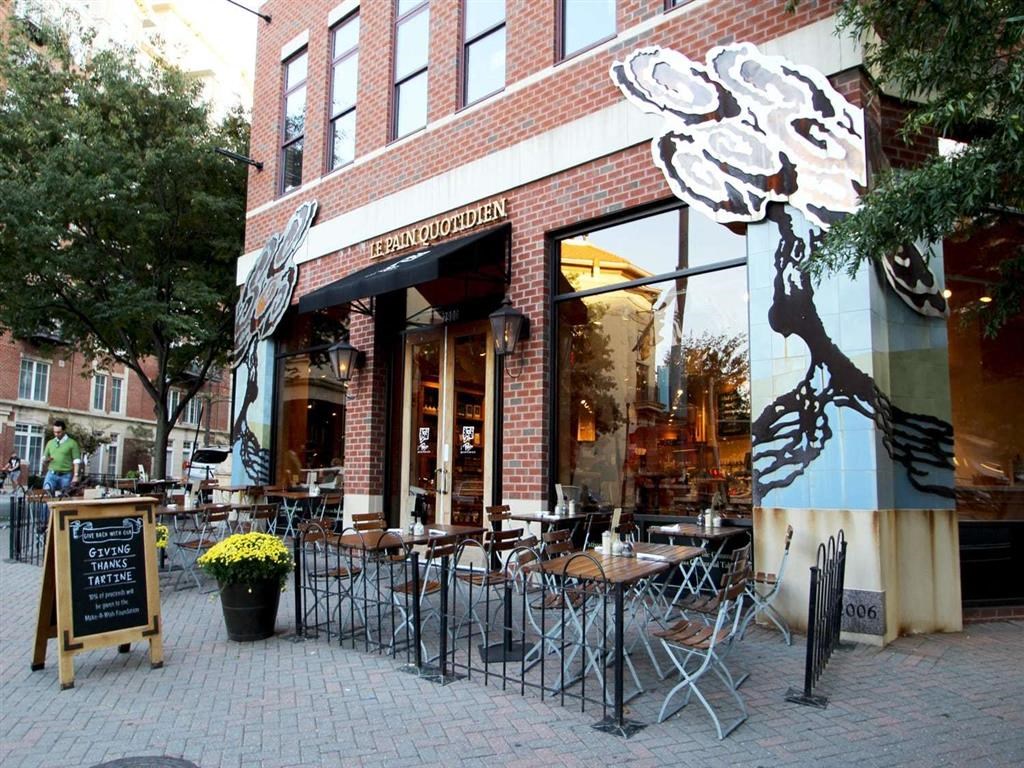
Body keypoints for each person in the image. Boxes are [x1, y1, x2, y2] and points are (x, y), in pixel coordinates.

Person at [41, 419, 82, 496]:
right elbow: (44, 459)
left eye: (58, 432)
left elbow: (76, 461)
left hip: (66, 476)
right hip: (51, 474)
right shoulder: (50, 443)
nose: (56, 434)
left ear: (64, 431)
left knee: (64, 497)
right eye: (54, 432)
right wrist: (46, 460)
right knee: (46, 495)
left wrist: (75, 476)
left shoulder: (72, 443)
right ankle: (46, 508)